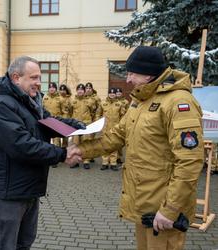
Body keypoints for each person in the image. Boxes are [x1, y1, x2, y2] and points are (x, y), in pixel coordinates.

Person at [66, 46, 204, 250]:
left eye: (132, 73)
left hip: (164, 209)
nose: (128, 79)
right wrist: (82, 151)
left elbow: (190, 161)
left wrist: (171, 209)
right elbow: (117, 135)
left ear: (148, 74)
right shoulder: (141, 100)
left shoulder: (179, 103)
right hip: (145, 204)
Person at [0, 56, 86, 250]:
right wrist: (62, 154)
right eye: (33, 78)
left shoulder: (29, 101)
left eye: (39, 77)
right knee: (8, 245)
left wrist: (77, 127)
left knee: (25, 242)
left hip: (30, 186)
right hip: (10, 191)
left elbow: (49, 122)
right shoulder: (1, 106)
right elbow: (21, 145)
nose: (39, 83)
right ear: (16, 78)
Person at [70, 83, 93, 169]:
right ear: (76, 91)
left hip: (86, 125)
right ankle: (75, 161)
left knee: (85, 143)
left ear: (84, 91)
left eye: (82, 90)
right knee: (75, 144)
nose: (80, 91)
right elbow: (70, 112)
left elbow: (93, 112)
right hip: (75, 125)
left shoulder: (89, 101)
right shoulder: (73, 101)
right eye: (78, 90)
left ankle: (86, 161)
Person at [100, 87, 123, 171]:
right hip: (105, 128)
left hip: (115, 128)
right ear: (108, 94)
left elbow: (122, 116)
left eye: (113, 93)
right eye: (110, 93)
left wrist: (121, 127)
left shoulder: (119, 104)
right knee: (105, 145)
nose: (112, 94)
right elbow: (98, 115)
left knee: (114, 145)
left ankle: (113, 163)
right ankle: (105, 162)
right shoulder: (103, 104)